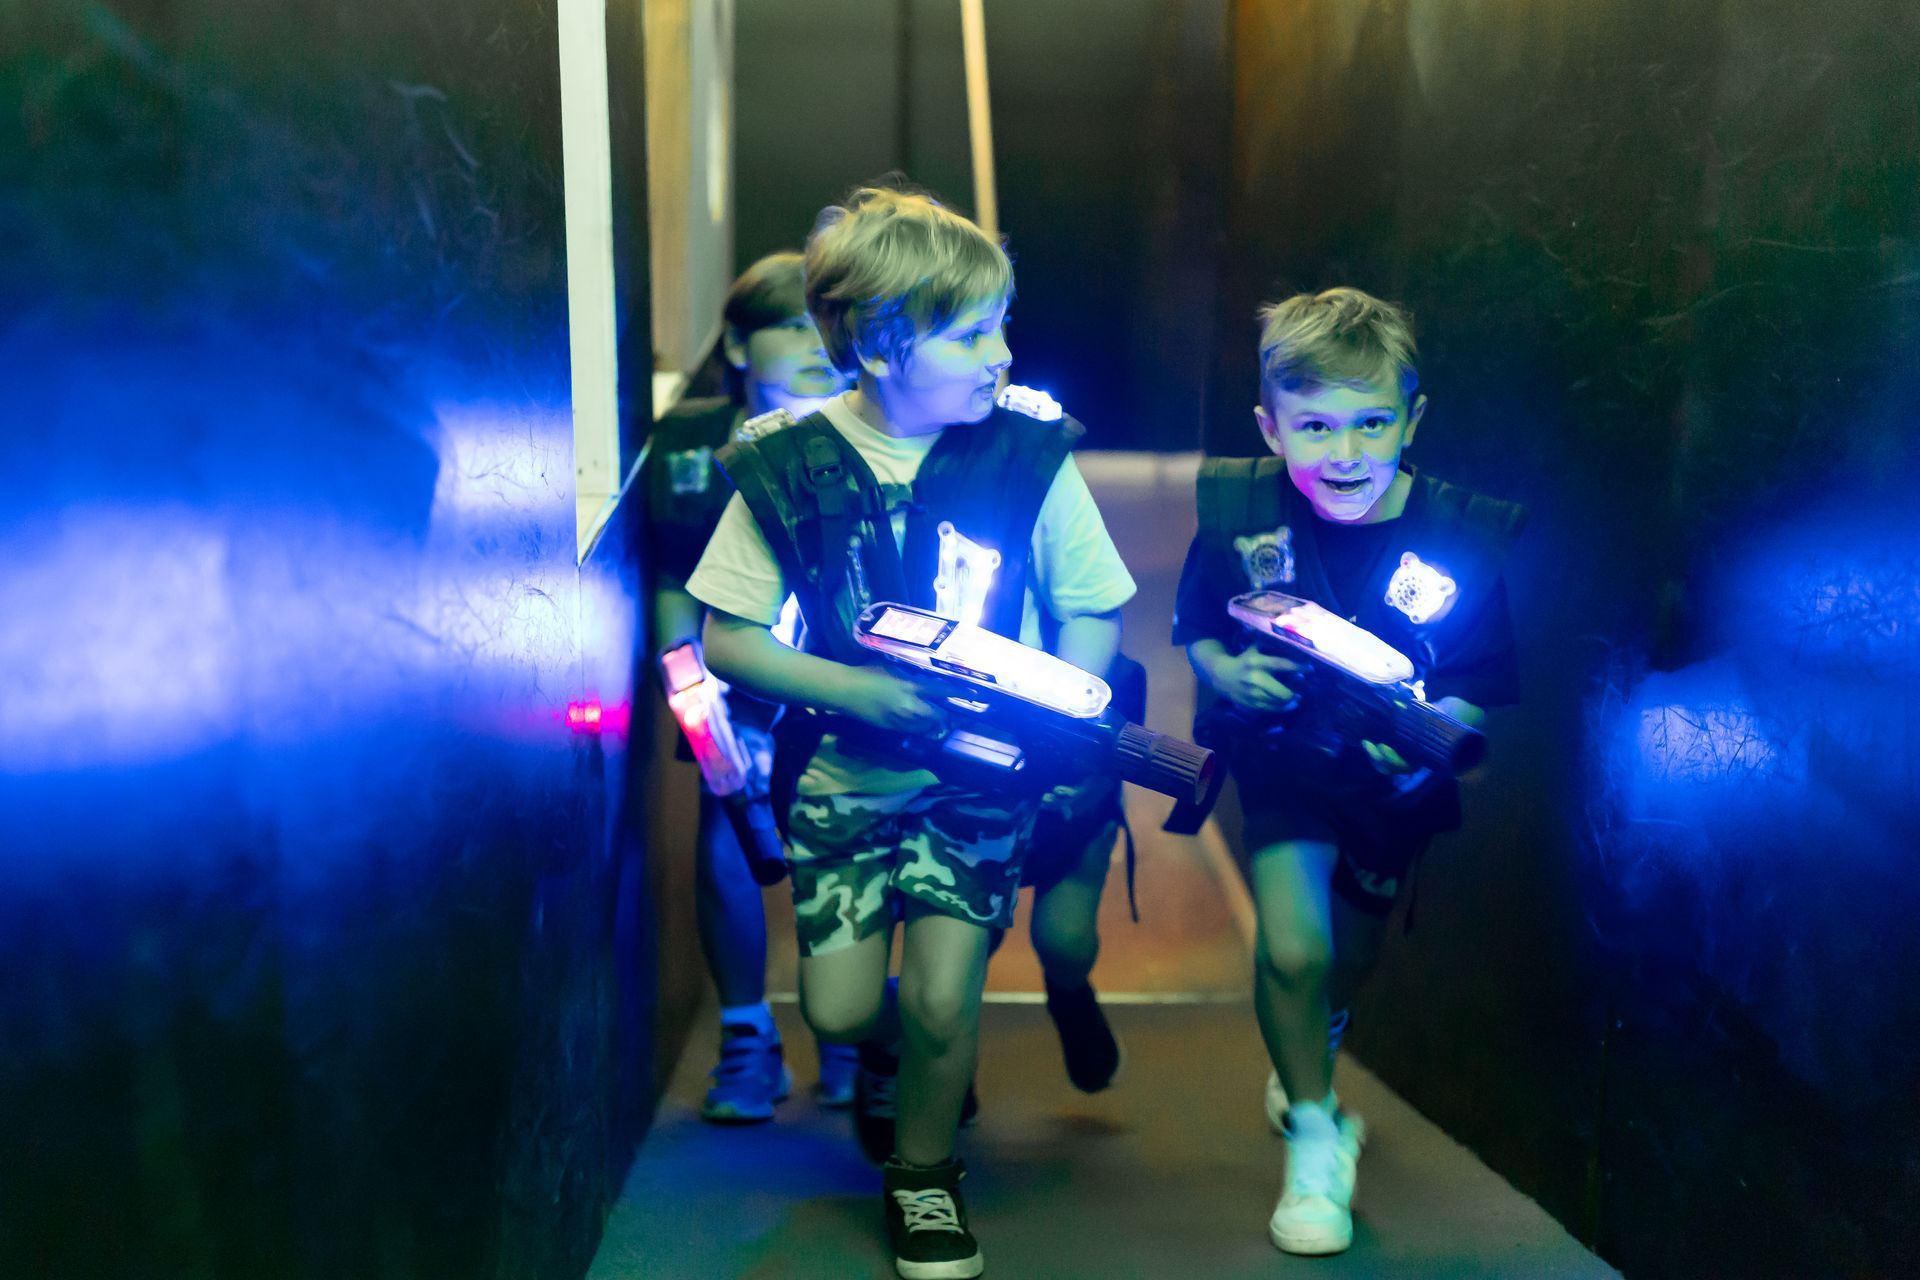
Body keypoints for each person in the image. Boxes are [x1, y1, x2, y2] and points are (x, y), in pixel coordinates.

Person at [689, 185, 1135, 1279]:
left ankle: (926, 1175)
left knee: (946, 991)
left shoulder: (1028, 453)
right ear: (883, 347)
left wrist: (1060, 708)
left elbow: (1093, 601)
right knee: (840, 1007)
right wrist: (857, 692)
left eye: (1001, 324)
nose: (1002, 353)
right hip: (844, 777)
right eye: (974, 331)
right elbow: (729, 640)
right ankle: (900, 1060)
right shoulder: (786, 462)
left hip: (981, 779)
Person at [1172, 288, 1524, 1256]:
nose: (1346, 451)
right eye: (1316, 425)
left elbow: (1477, 687)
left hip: (1393, 784)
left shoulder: (1460, 536)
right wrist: (1226, 669)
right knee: (1294, 945)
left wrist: (1422, 731)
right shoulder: (1241, 509)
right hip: (1283, 756)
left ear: (1412, 419)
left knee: (1348, 958)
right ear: (1270, 427)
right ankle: (1318, 1132)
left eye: (1372, 422)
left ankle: (1313, 1043)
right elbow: (1197, 625)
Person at [640, 251, 856, 1123]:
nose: (813, 345)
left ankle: (851, 1031)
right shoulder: (692, 446)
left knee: (852, 844)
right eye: (790, 326)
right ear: (737, 341)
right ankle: (746, 1038)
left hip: (843, 680)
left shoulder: (865, 429)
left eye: (825, 326)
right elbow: (669, 576)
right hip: (735, 684)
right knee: (729, 841)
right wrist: (685, 682)